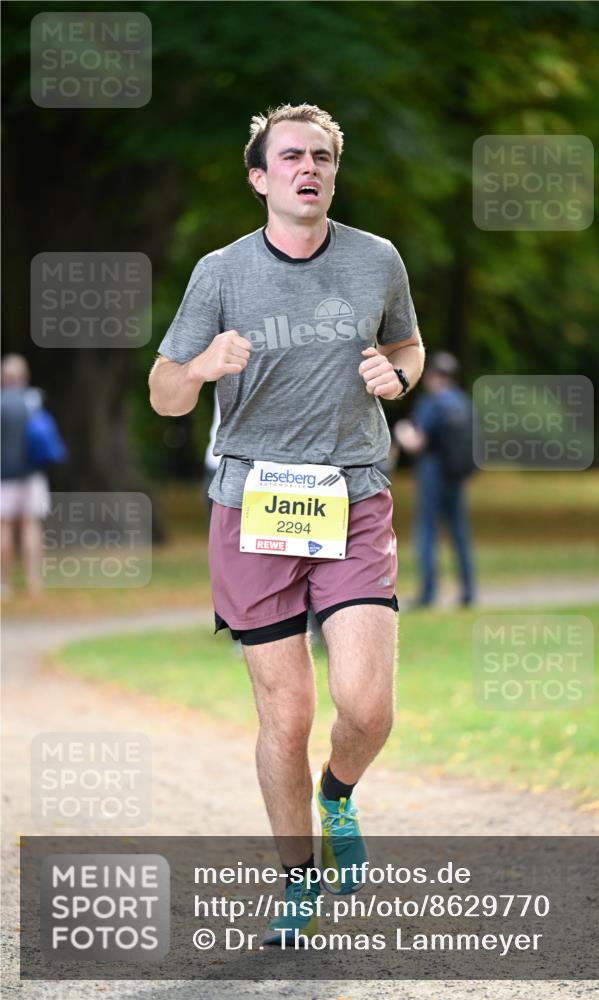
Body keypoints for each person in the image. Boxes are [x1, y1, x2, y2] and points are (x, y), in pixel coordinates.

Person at [148, 103, 424, 946]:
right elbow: (163, 394)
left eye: (323, 158)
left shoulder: (376, 260)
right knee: (286, 716)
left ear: (332, 173)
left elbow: (408, 348)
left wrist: (397, 375)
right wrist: (201, 366)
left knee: (366, 706)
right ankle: (297, 881)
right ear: (260, 177)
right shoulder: (220, 272)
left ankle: (337, 793)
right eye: (292, 157)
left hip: (351, 495)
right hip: (252, 505)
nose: (309, 169)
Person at [394, 352, 476, 608]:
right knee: (459, 533)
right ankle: (467, 592)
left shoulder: (432, 404)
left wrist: (401, 430)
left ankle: (428, 593)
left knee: (427, 531)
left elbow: (417, 443)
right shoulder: (464, 403)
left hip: (432, 472)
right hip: (456, 475)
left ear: (433, 377)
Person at [0, 354, 50, 598]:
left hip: (4, 475)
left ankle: (5, 584)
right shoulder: (34, 400)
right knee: (31, 525)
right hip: (32, 473)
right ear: (24, 377)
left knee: (4, 527)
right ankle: (34, 583)